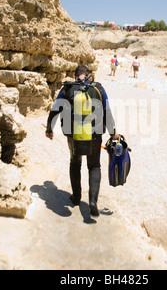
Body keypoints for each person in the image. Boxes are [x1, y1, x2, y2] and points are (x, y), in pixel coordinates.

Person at [45, 66, 118, 217]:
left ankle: (76, 197)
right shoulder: (99, 89)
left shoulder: (67, 89)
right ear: (89, 75)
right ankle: (92, 201)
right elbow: (107, 111)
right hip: (95, 134)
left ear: (75, 75)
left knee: (75, 163)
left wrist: (49, 128)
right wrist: (113, 133)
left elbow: (55, 109)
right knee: (94, 166)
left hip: (73, 134)